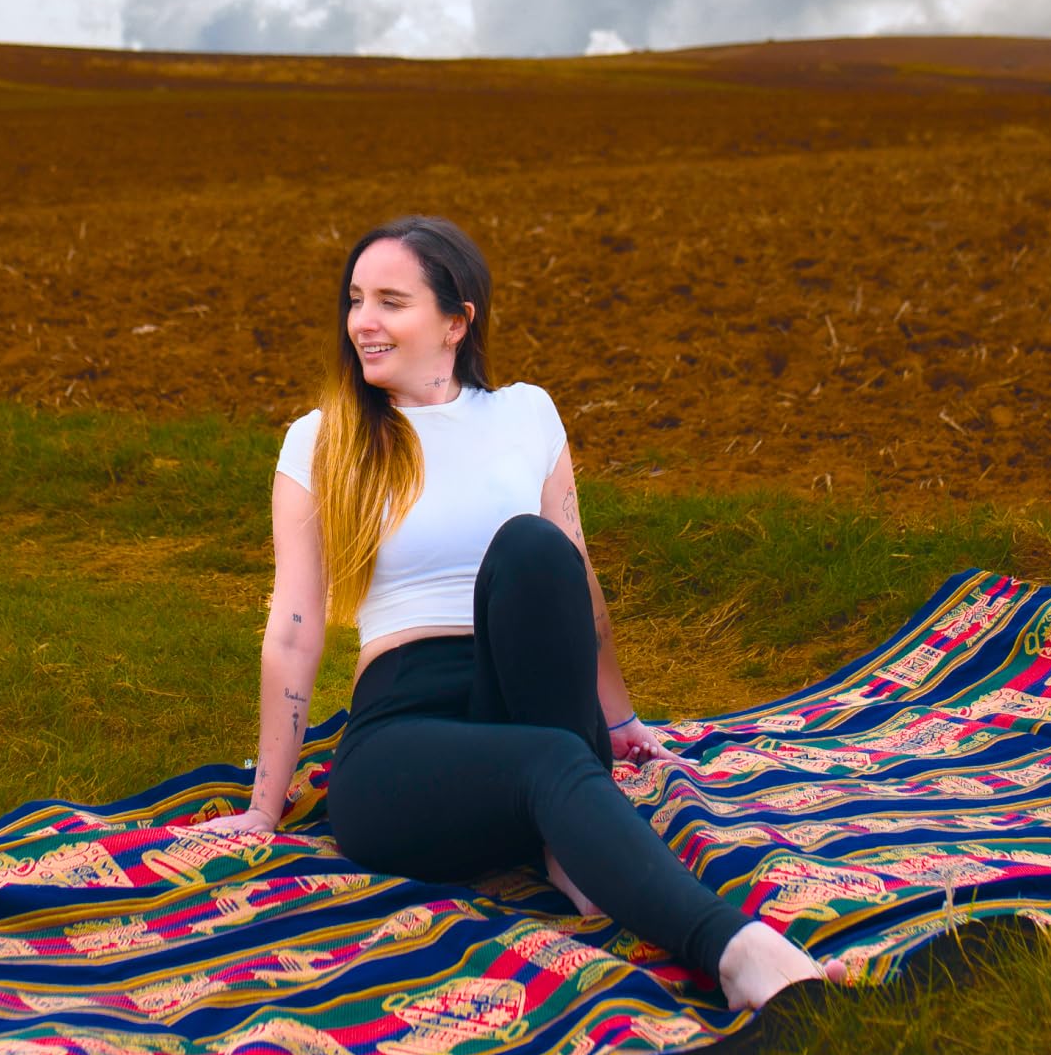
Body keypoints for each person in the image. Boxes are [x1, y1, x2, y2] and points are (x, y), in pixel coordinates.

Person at [198, 214, 842, 1011]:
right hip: (404, 735)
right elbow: (294, 630)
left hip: (529, 685)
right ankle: (736, 950)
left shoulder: (526, 413)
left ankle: (568, 837)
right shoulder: (323, 439)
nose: (363, 321)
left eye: (392, 301)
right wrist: (267, 806)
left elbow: (578, 583)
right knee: (546, 762)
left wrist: (619, 716)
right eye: (356, 299)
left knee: (537, 550)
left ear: (457, 320)